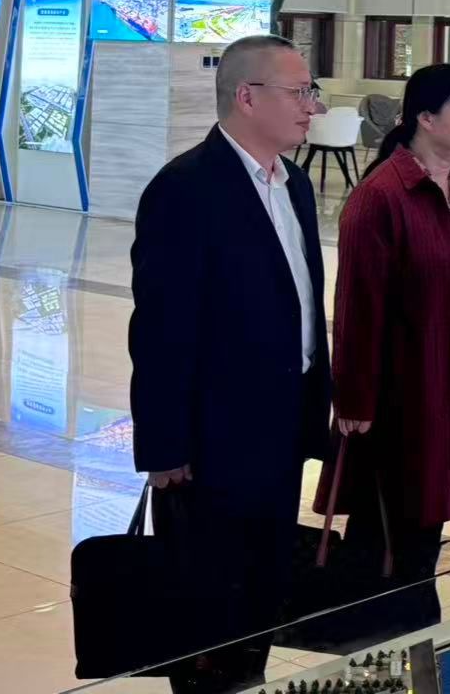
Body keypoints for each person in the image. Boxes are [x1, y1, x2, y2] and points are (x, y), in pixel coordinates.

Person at [128, 34, 332, 692]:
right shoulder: (186, 189)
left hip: (282, 429)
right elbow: (160, 331)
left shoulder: (293, 185)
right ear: (247, 97)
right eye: (298, 92)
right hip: (212, 444)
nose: (312, 106)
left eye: (310, 92)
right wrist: (164, 446)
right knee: (209, 610)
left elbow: (303, 304)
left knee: (263, 594)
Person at [326, 63, 450, 634]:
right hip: (403, 386)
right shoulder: (381, 196)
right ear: (425, 119)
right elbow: (357, 309)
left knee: (430, 508)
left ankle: (415, 617)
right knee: (393, 517)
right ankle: (384, 628)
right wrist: (354, 401)